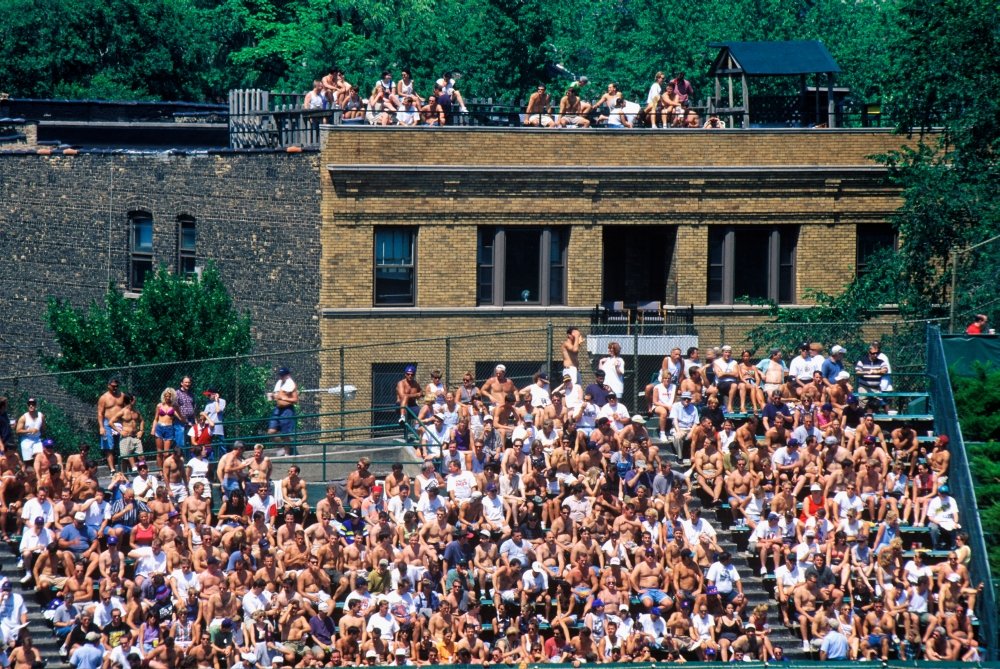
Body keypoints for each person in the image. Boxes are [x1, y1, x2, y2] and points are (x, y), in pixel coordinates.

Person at [267, 366, 298, 454]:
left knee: (285, 434)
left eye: (283, 375)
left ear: (288, 375)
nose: (281, 377)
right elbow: (277, 396)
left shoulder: (291, 384)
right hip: (278, 409)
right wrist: (272, 396)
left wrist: (284, 398)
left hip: (287, 410)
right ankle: (282, 447)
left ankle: (287, 453)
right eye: (280, 375)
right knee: (271, 432)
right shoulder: (279, 383)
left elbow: (295, 400)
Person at [97, 378, 125, 472]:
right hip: (107, 423)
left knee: (123, 446)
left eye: (117, 386)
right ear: (108, 385)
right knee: (109, 447)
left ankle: (123, 469)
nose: (115, 388)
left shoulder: (122, 396)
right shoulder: (103, 398)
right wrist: (101, 427)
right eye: (113, 386)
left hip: (120, 423)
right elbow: (100, 413)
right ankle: (112, 469)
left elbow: (127, 409)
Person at [15, 397, 44, 465]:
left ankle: (37, 474)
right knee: (28, 462)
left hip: (37, 440)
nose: (31, 406)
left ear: (36, 405)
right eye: (29, 404)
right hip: (26, 440)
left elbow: (43, 427)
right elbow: (18, 430)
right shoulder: (23, 417)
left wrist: (40, 434)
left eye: (33, 404)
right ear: (27, 405)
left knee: (39, 458)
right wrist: (29, 430)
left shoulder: (40, 415)